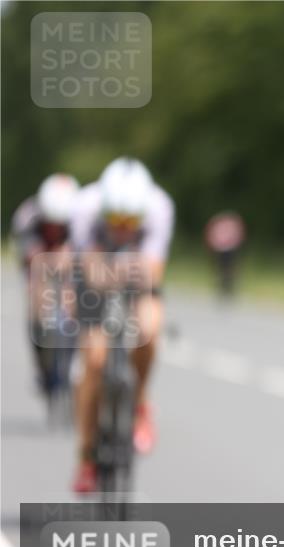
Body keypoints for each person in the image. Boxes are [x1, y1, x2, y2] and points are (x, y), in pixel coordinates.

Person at [69, 157, 175, 493]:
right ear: (104, 210)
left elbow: (153, 273)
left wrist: (128, 275)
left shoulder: (159, 207)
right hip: (94, 276)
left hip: (137, 274)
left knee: (149, 331)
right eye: (115, 219)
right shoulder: (84, 207)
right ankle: (86, 455)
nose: (123, 227)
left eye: (132, 220)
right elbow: (88, 271)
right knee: (95, 362)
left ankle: (140, 403)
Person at [11, 174, 80, 395]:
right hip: (37, 262)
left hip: (69, 261)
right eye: (51, 223)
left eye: (60, 225)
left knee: (76, 300)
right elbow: (27, 256)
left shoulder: (80, 218)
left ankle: (72, 355)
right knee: (36, 305)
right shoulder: (27, 216)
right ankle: (41, 364)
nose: (55, 228)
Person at [204, 211, 246, 300]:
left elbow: (238, 237)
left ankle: (228, 287)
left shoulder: (230, 225)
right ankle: (222, 287)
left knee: (229, 269)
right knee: (222, 269)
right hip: (221, 249)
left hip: (229, 249)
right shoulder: (223, 224)